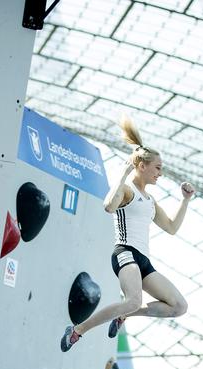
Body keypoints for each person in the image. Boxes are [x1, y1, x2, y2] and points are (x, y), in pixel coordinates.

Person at [60, 116, 195, 352]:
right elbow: (109, 206)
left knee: (178, 307)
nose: (160, 174)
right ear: (142, 166)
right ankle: (78, 330)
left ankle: (126, 315)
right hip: (125, 253)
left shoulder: (150, 200)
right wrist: (122, 176)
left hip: (143, 261)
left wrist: (185, 201)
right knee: (133, 299)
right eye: (158, 168)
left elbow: (172, 228)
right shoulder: (127, 190)